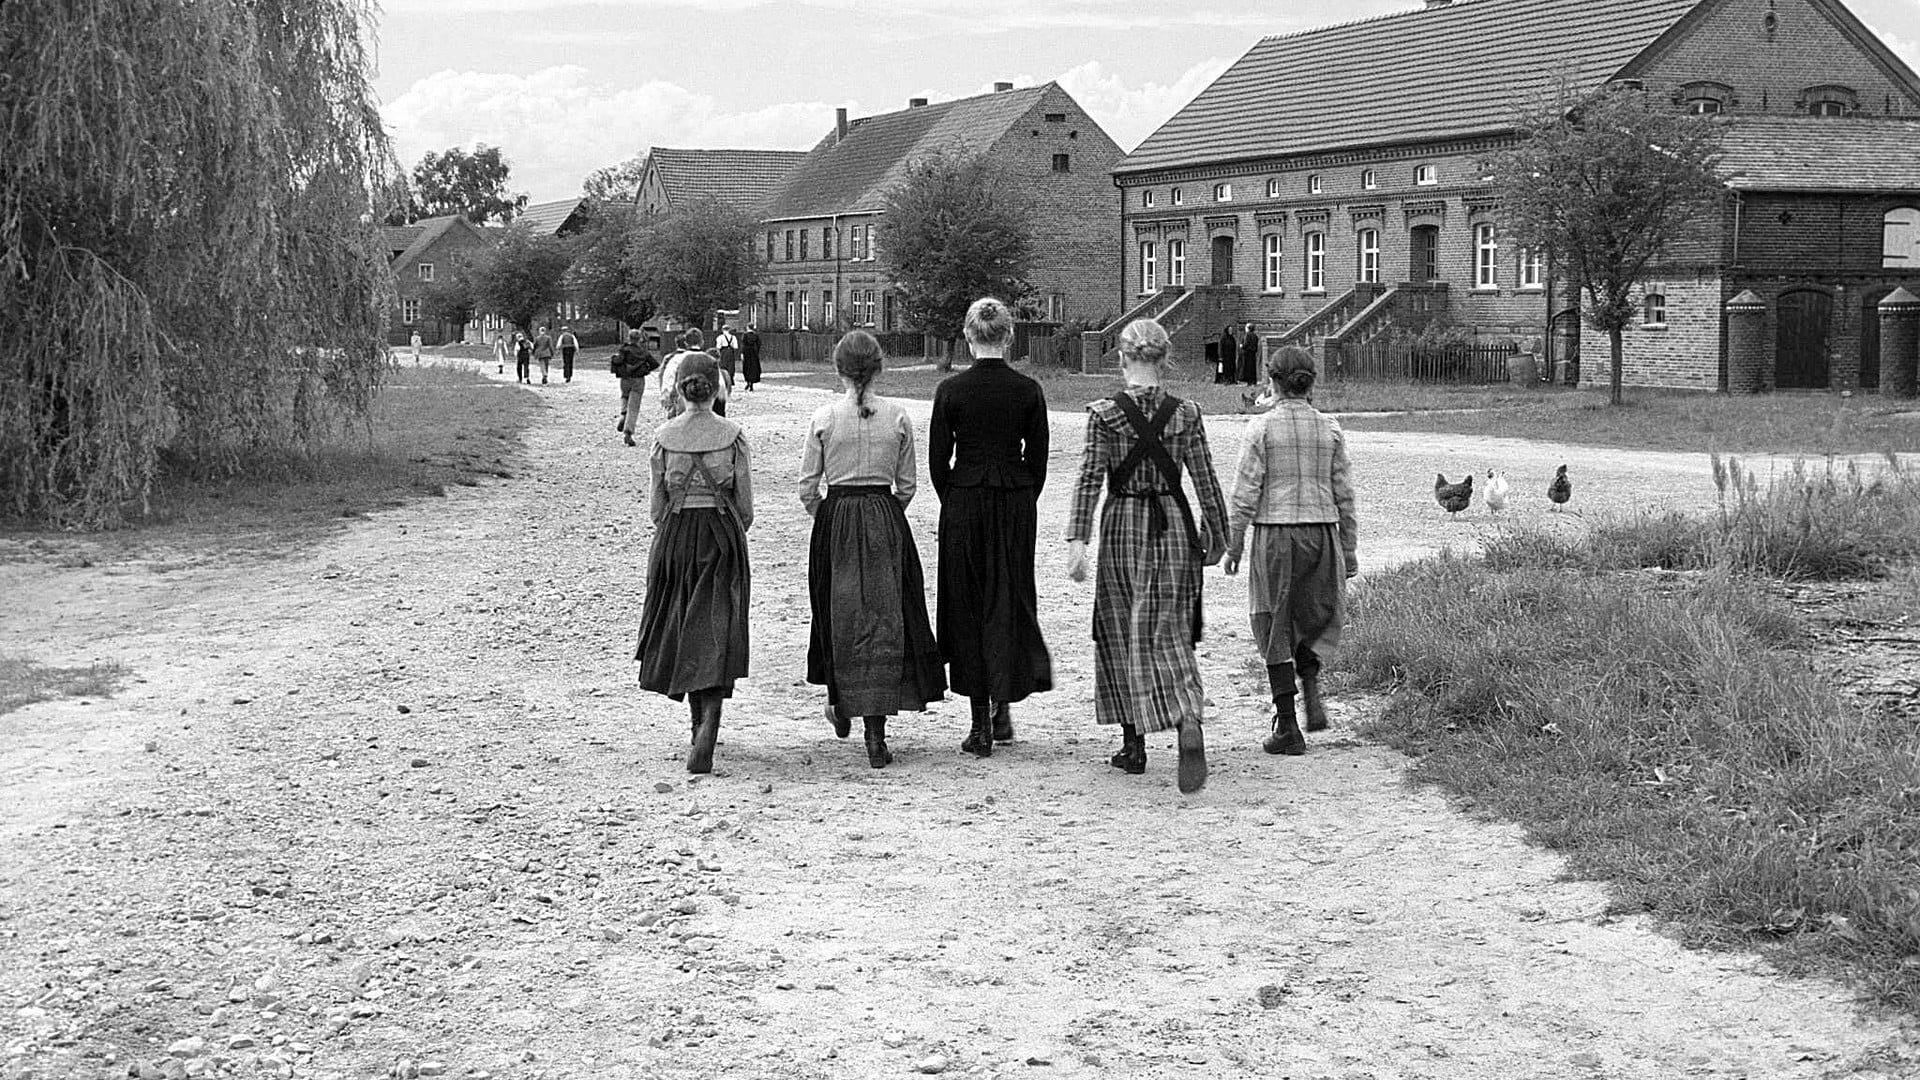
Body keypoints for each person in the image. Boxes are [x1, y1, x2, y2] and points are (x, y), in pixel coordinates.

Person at [1066, 318, 1229, 794]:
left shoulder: (1104, 414)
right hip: (1173, 526)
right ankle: (1187, 716)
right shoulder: (1187, 414)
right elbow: (1205, 479)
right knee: (1171, 627)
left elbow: (1088, 478)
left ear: (1121, 359)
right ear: (1165, 359)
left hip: (1122, 526)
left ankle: (1133, 744)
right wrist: (1218, 534)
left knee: (1118, 625)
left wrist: (1077, 540)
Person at [798, 331, 946, 768]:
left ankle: (841, 699)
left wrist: (829, 515)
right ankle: (875, 730)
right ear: (879, 368)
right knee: (885, 616)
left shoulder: (824, 418)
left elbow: (807, 486)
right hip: (884, 516)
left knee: (838, 610)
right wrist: (883, 513)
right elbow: (908, 485)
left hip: (837, 517)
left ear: (838, 369)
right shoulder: (897, 416)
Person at [930, 296, 1054, 756]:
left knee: (967, 605)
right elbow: (1038, 459)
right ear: (1009, 336)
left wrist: (955, 499)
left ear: (968, 336)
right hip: (1014, 500)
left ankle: (979, 722)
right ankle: (1003, 706)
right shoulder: (1028, 390)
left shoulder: (951, 391)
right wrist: (1021, 500)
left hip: (965, 499)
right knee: (1009, 599)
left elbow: (938, 461)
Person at [1224, 345, 1358, 758]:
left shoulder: (1261, 428)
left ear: (1272, 382)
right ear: (1311, 383)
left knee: (1274, 619)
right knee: (1313, 612)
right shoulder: (1330, 428)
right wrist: (1349, 548)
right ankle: (1311, 685)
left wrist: (1235, 543)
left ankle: (1287, 724)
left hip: (1276, 534)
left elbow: (1245, 491)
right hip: (1322, 532)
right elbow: (1345, 495)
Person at [635, 353, 754, 774]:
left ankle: (696, 723)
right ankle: (712, 712)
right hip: (721, 534)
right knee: (719, 622)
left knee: (681, 621)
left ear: (678, 389)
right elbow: (746, 507)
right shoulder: (733, 436)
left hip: (677, 535)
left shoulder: (663, 437)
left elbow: (656, 508)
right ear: (716, 388)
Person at [612, 330, 658, 447]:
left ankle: (623, 413)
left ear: (629, 338)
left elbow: (618, 360)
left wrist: (614, 358)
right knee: (634, 406)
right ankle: (628, 431)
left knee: (624, 396)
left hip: (625, 379)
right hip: (638, 380)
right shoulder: (644, 352)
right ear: (640, 339)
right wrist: (646, 370)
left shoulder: (624, 350)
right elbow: (655, 364)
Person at [713, 325, 740, 392]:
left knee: (723, 365)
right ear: (729, 330)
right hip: (730, 352)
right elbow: (736, 346)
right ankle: (730, 379)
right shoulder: (733, 337)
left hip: (723, 352)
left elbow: (718, 347)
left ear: (722, 330)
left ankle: (724, 379)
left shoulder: (720, 337)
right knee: (730, 366)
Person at [741, 325, 762, 391]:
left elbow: (743, 345)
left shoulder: (745, 335)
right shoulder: (756, 335)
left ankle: (748, 382)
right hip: (753, 353)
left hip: (746, 353)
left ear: (748, 327)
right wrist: (756, 351)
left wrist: (742, 353)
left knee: (746, 367)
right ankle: (751, 384)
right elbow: (759, 344)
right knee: (753, 368)